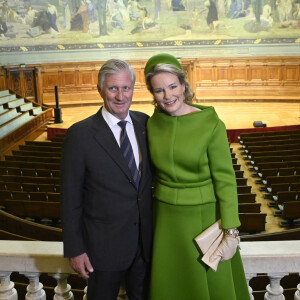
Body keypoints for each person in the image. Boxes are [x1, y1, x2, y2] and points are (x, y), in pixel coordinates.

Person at [144, 53, 250, 300]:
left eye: (173, 87)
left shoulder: (211, 123)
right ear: (152, 94)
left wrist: (232, 231)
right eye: (159, 90)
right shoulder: (152, 123)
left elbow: (225, 180)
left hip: (204, 219)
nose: (168, 95)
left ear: (184, 85)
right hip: (165, 220)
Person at [61, 58, 153, 300]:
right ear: (100, 89)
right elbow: (70, 198)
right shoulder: (80, 135)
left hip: (145, 248)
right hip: (101, 251)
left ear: (133, 88)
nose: (121, 96)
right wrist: (75, 249)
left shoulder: (146, 123)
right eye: (113, 88)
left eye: (126, 88)